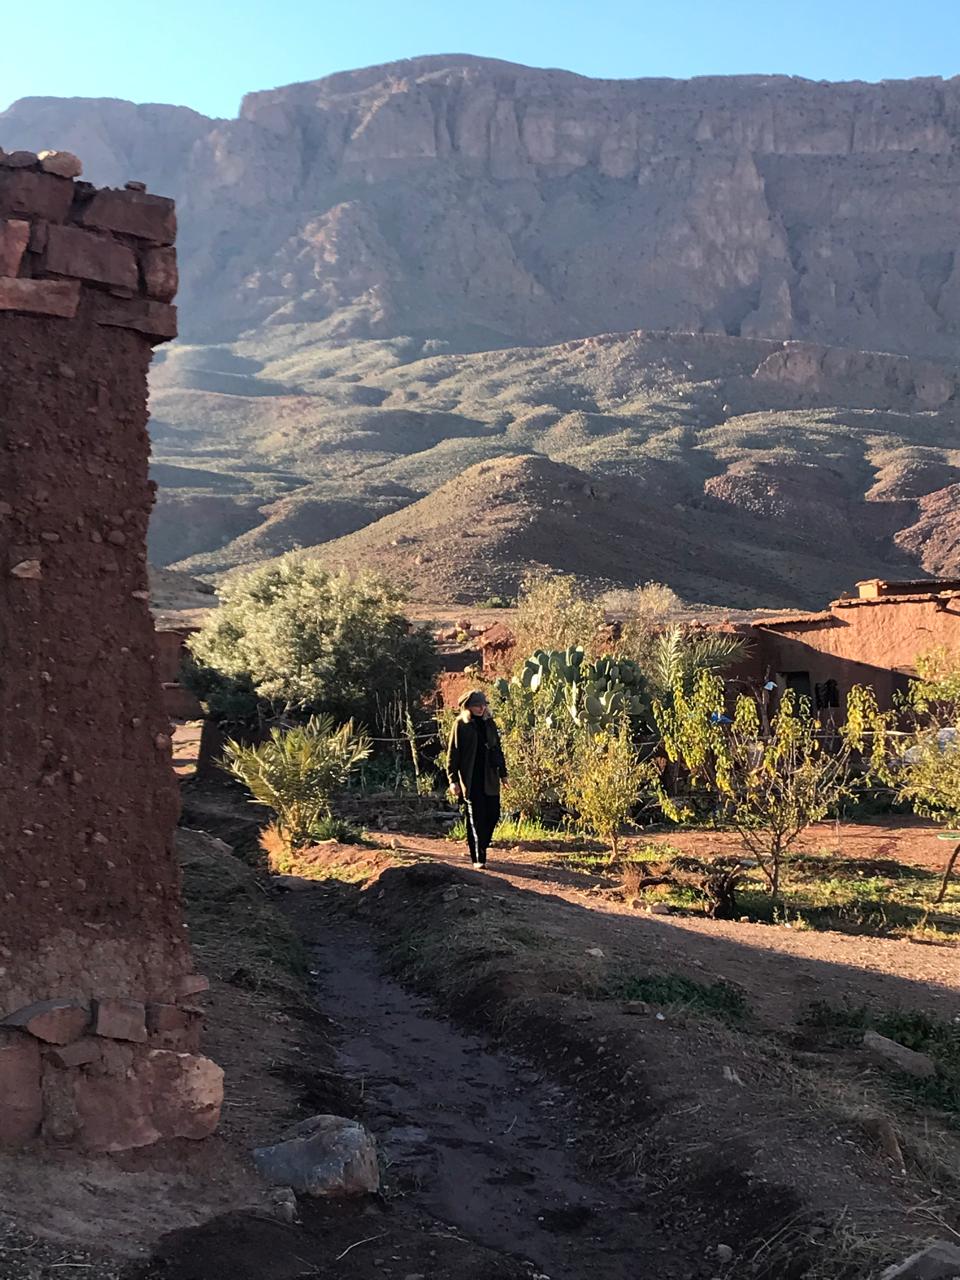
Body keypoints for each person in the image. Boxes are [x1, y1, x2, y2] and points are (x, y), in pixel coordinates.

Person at [446, 689, 508, 869]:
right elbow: (453, 754)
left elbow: (498, 750)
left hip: (490, 776)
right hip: (471, 778)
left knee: (494, 813)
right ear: (468, 707)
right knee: (475, 817)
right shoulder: (461, 725)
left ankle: (483, 843)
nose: (481, 708)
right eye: (477, 705)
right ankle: (479, 858)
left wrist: (504, 774)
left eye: (483, 705)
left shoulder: (490, 723)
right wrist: (453, 780)